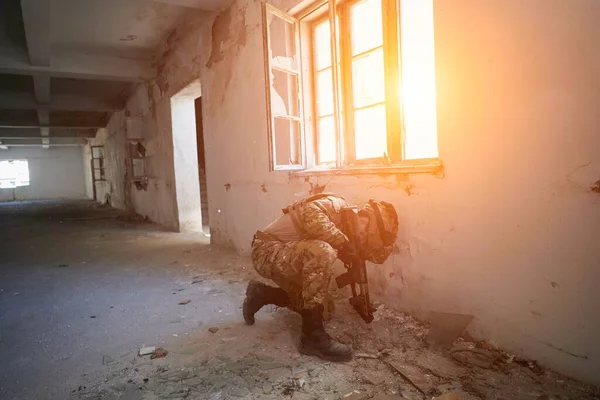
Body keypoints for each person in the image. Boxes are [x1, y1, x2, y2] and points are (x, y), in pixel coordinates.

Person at [242, 193, 399, 361]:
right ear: (367, 219)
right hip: (266, 251)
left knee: (325, 311)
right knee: (322, 252)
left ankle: (262, 294)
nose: (364, 236)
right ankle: (312, 337)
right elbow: (311, 215)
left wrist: (388, 241)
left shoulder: (353, 231)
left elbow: (377, 256)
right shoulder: (337, 205)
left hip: (287, 258)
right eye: (368, 232)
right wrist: (343, 243)